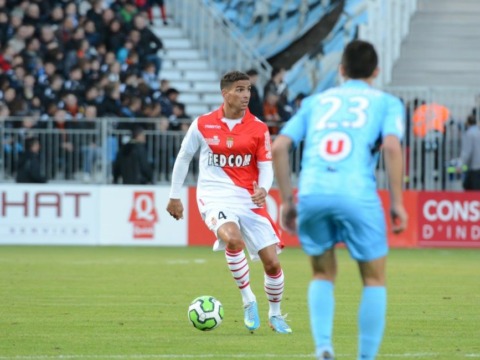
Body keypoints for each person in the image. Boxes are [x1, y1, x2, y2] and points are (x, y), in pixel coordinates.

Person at [272, 40, 408, 359]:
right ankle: (365, 357)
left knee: (322, 274)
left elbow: (279, 147)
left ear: (341, 70)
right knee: (374, 279)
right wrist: (397, 202)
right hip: (356, 192)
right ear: (376, 71)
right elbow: (391, 147)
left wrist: (288, 201)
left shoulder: (315, 102)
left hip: (314, 191)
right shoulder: (386, 103)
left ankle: (323, 347)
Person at [166, 71, 292, 334]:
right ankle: (248, 300)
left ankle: (276, 314)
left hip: (248, 197)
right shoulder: (202, 124)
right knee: (233, 239)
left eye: (248, 89)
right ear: (225, 93)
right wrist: (174, 195)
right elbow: (183, 158)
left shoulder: (258, 127)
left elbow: (265, 166)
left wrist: (264, 190)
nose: (246, 94)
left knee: (272, 263)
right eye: (239, 89)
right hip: (213, 196)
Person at [458, 114, 480, 190]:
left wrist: (460, 165)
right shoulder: (478, 132)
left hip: (474, 167)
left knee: (471, 190)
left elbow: (467, 152)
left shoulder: (469, 134)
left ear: (467, 123)